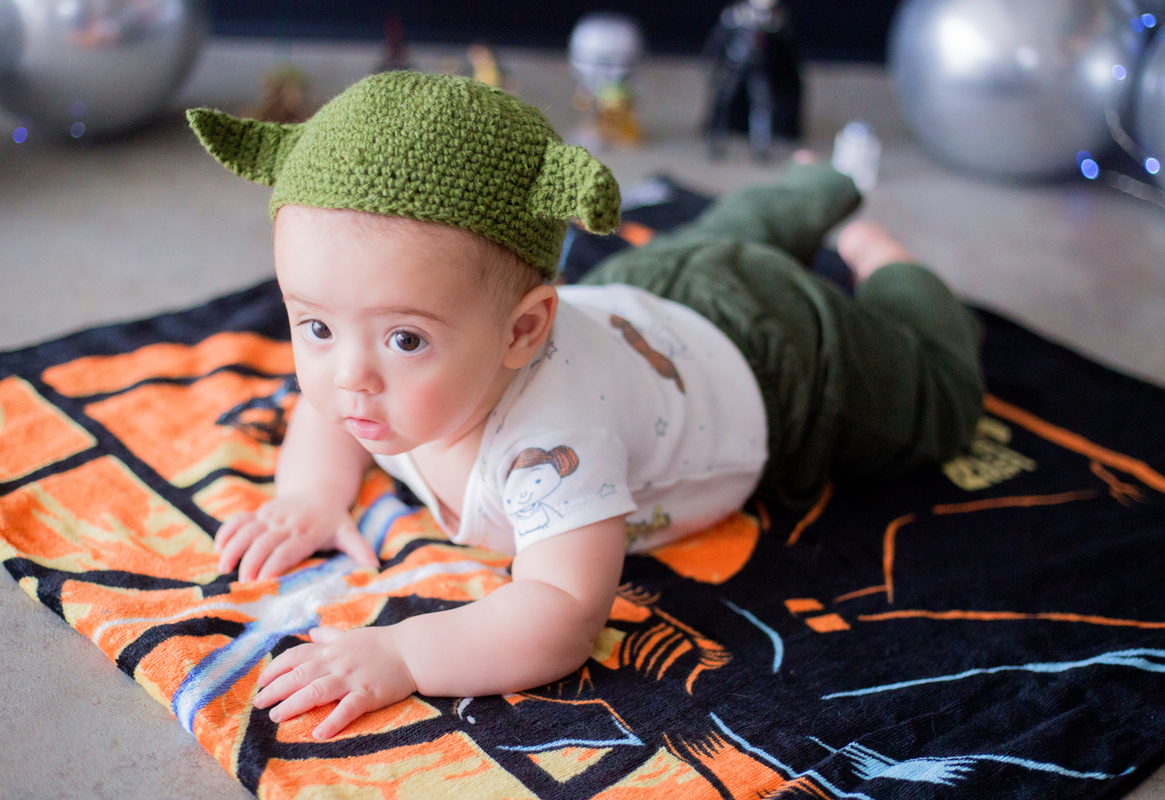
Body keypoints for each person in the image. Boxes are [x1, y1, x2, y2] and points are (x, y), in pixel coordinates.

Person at [187, 71, 984, 740]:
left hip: (783, 363)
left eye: (404, 340)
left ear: (523, 330)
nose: (347, 377)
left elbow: (562, 611)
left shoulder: (552, 446)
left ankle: (884, 259)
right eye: (316, 325)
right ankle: (815, 183)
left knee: (940, 400)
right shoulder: (369, 381)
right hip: (647, 297)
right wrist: (308, 495)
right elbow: (327, 413)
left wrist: (404, 655)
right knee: (725, 239)